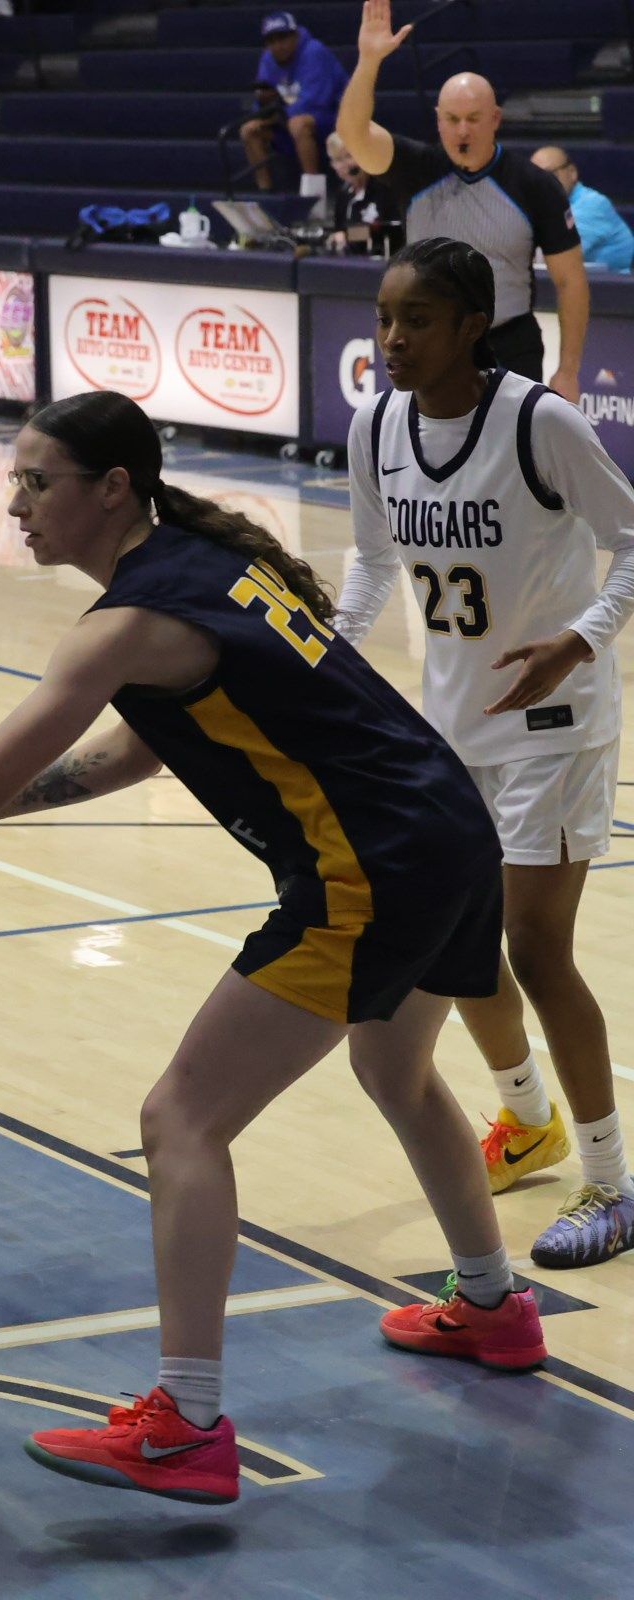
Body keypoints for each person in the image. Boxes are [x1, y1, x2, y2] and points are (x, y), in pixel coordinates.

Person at [0, 390, 545, 1507]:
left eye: (35, 482)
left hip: (375, 864)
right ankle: (493, 1307)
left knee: (179, 1119)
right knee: (392, 1066)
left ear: (111, 489)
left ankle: (187, 1422)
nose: (16, 503)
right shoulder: (200, 563)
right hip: (445, 828)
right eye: (14, 480)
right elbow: (129, 756)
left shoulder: (124, 621)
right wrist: (3, 806)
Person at [336, 238, 634, 1266]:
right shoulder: (375, 427)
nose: (392, 339)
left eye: (416, 319)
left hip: (556, 722)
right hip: (452, 725)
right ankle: (528, 1121)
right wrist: (330, 649)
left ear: (474, 323)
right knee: (456, 942)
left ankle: (611, 1181)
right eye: (384, 318)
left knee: (535, 947)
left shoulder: (539, 422)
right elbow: (375, 561)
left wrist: (582, 639)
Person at [338, 1, 587, 398]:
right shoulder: (414, 167)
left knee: (509, 459)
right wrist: (369, 61)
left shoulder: (534, 185)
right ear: (438, 120)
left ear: (496, 119)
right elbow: (353, 135)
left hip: (510, 346)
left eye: (473, 119)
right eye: (452, 120)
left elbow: (570, 280)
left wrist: (569, 370)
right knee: (425, 457)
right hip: (426, 346)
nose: (462, 130)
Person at [242, 12, 346, 199]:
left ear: (295, 35)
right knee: (249, 130)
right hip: (288, 122)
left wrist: (277, 116)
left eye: (283, 38)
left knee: (298, 124)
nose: (277, 46)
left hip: (332, 120)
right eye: (271, 41)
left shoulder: (314, 51)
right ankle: (266, 193)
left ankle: (314, 197)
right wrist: (262, 110)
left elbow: (316, 102)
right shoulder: (268, 58)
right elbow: (263, 96)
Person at [532, 147, 634, 275]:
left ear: (572, 172)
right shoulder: (541, 206)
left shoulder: (592, 205)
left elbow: (556, 256)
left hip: (614, 289)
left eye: (550, 175)